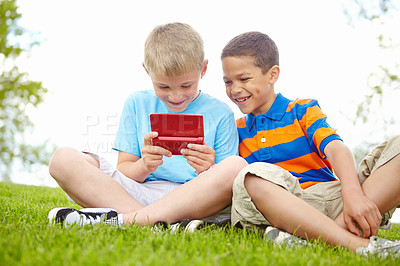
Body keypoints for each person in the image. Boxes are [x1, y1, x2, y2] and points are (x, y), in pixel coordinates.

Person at [48, 22, 248, 228]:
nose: (175, 96)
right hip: (138, 194)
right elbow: (125, 170)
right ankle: (155, 222)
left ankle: (125, 220)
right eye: (163, 86)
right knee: (63, 159)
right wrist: (144, 165)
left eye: (186, 85)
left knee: (236, 167)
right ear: (147, 70)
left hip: (195, 199)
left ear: (203, 69)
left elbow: (227, 186)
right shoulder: (137, 103)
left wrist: (207, 169)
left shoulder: (221, 113)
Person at [220, 31, 400, 256]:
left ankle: (323, 236)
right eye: (228, 82)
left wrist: (352, 194)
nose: (235, 89)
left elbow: (336, 148)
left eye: (244, 79)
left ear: (272, 74)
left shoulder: (302, 110)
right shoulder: (234, 129)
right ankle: (356, 245)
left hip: (336, 201)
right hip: (281, 208)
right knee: (252, 178)